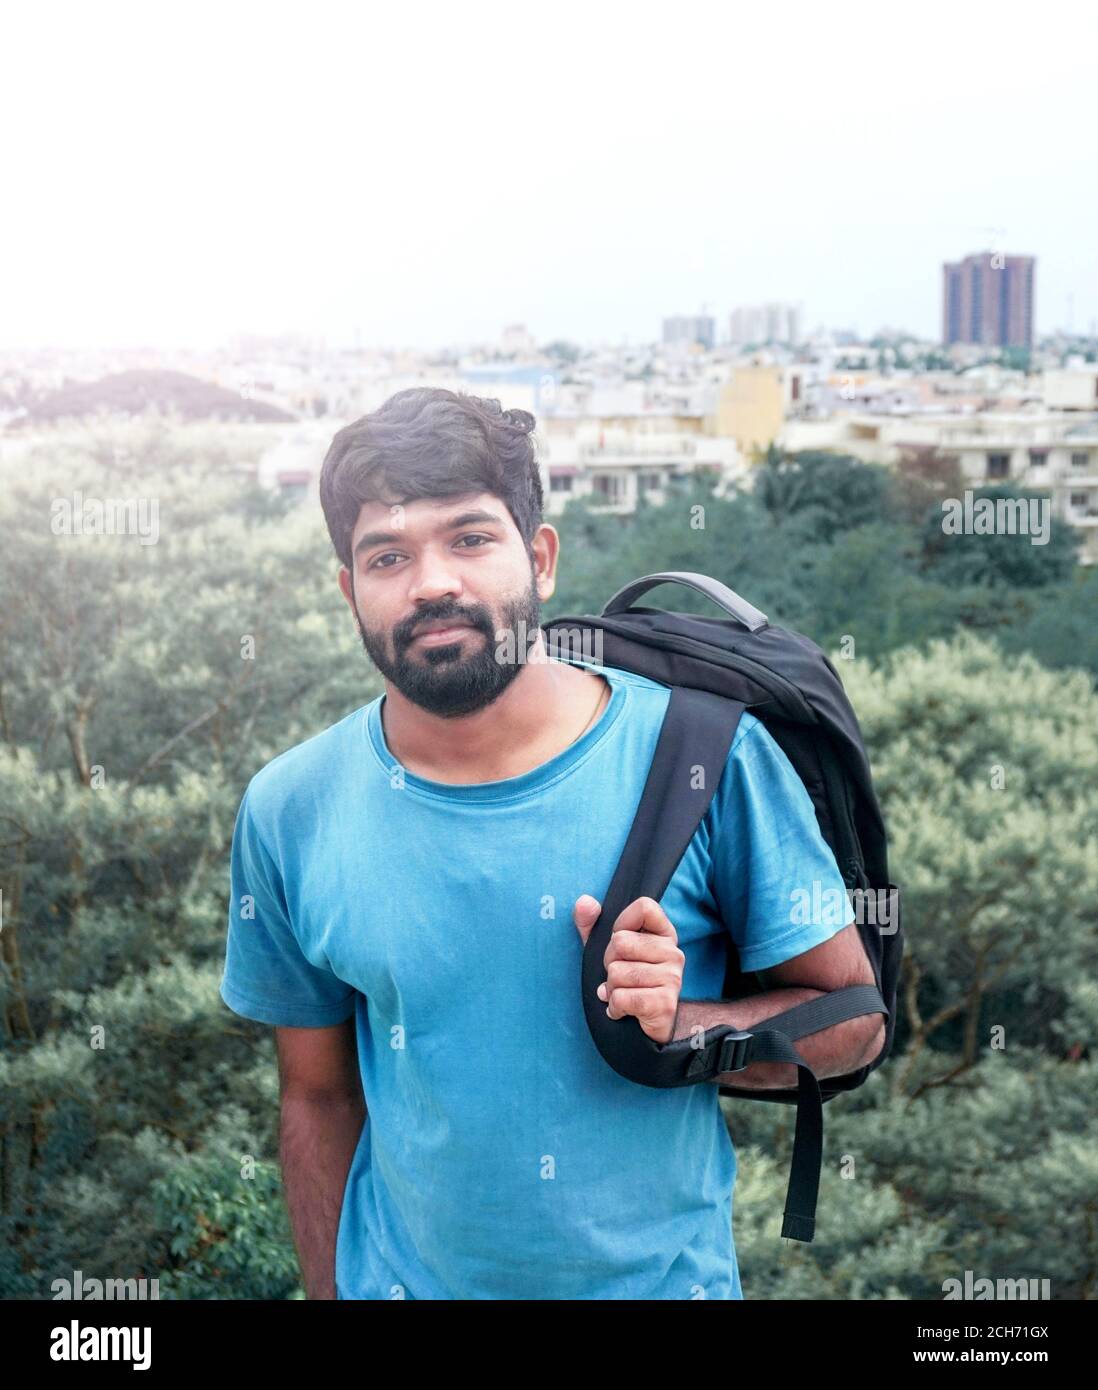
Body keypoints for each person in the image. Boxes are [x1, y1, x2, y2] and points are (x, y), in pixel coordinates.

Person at [219, 387, 884, 1300]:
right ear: (350, 591)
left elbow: (853, 1022)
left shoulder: (706, 758)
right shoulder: (290, 808)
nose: (431, 582)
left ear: (539, 558)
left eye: (470, 538)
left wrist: (685, 1023)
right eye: (387, 555)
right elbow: (318, 1097)